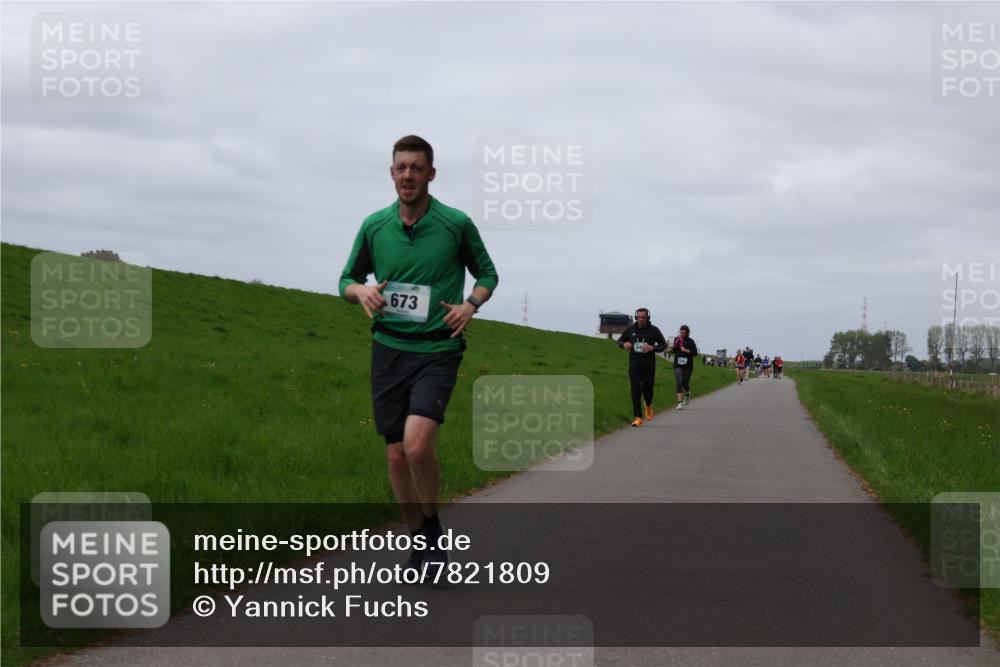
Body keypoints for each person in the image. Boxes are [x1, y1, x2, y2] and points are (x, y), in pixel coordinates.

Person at [339, 135, 499, 575]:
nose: (408, 175)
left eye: (416, 168)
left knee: (416, 445)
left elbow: (488, 273)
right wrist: (361, 291)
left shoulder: (455, 224)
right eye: (401, 167)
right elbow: (346, 279)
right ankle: (421, 541)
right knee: (394, 456)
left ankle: (429, 528)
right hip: (388, 349)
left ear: (431, 173)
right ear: (392, 173)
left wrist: (471, 304)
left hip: (437, 349)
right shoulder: (374, 226)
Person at [617, 308, 668, 426]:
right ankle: (638, 417)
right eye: (639, 317)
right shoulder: (630, 330)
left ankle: (648, 405)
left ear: (647, 317)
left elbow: (663, 344)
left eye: (643, 317)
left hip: (649, 365)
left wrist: (653, 348)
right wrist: (624, 344)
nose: (641, 319)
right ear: (636, 317)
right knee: (635, 390)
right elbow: (619, 341)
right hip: (634, 364)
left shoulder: (654, 330)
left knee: (648, 390)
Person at [671, 325, 699, 409]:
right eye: (681, 332)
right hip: (677, 364)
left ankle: (687, 394)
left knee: (685, 382)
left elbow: (695, 353)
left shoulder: (690, 341)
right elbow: (675, 350)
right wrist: (671, 350)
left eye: (683, 333)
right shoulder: (677, 340)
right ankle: (680, 403)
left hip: (688, 365)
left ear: (687, 333)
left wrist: (686, 350)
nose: (681, 334)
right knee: (679, 381)